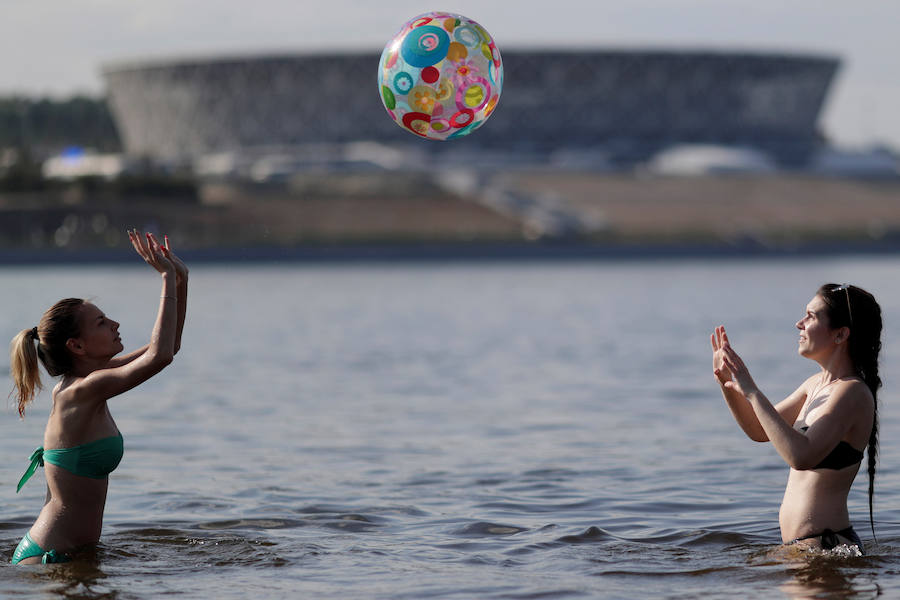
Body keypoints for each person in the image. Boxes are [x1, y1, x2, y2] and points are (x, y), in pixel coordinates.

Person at [8, 230, 188, 564]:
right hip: (49, 557)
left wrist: (180, 279)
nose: (116, 325)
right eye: (102, 323)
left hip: (75, 556)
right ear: (76, 345)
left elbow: (168, 348)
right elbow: (160, 356)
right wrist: (165, 277)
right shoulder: (79, 392)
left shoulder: (89, 380)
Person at [711, 283, 882, 554]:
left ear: (840, 335)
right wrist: (727, 384)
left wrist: (753, 391)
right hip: (807, 549)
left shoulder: (852, 392)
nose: (798, 324)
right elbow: (759, 430)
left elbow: (801, 456)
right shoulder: (814, 385)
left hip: (827, 547)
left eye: (811, 316)